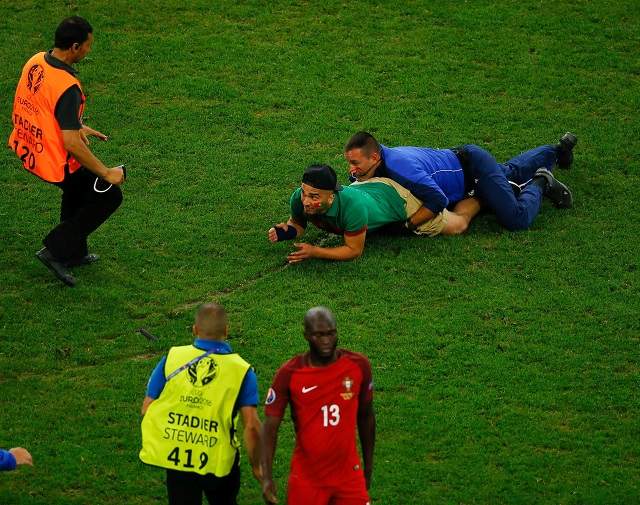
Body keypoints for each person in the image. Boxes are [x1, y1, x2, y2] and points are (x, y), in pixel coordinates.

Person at [8, 16, 125, 287]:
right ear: (74, 47)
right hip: (54, 159)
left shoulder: (36, 61)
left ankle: (74, 252)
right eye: (87, 45)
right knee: (107, 196)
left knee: (78, 191)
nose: (88, 50)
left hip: (29, 145)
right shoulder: (67, 86)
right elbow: (71, 143)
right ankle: (56, 251)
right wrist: (107, 172)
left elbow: (39, 105)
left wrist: (77, 124)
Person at [139, 303, 262, 505]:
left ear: (195, 329)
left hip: (179, 458)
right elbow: (252, 426)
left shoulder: (172, 358)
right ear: (226, 331)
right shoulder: (242, 371)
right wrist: (258, 466)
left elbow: (147, 408)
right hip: (220, 460)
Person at [344, 131, 577, 232]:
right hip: (463, 164)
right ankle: (557, 151)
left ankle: (541, 181)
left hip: (472, 170)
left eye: (356, 164)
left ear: (374, 157)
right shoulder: (374, 164)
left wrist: (409, 225)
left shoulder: (401, 168)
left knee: (515, 218)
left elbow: (437, 199)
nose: (351, 171)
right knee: (509, 173)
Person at [261, 306, 375, 505]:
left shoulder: (358, 366)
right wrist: (266, 477)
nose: (326, 341)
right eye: (318, 335)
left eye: (331, 334)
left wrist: (368, 466)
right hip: (307, 480)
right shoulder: (289, 374)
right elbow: (270, 428)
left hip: (349, 475)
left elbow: (366, 416)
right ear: (306, 335)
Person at [267, 164, 480, 263]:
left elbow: (353, 250)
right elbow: (298, 224)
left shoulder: (352, 208)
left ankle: (481, 195)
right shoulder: (298, 198)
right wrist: (286, 231)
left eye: (314, 197)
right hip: (373, 188)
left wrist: (315, 251)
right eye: (305, 193)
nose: (306, 201)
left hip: (402, 202)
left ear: (331, 196)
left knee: (458, 224)